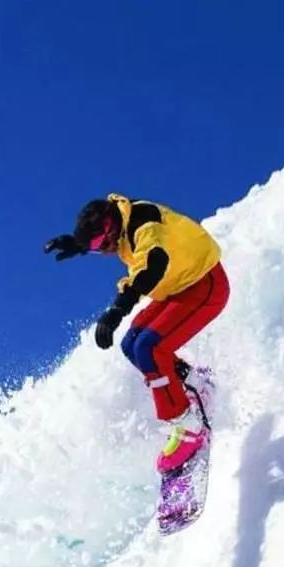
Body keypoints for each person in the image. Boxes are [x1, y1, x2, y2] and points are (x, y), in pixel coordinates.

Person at [45, 193, 230, 472]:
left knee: (150, 348)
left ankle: (189, 428)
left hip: (205, 284)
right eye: (94, 247)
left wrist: (117, 311)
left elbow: (152, 267)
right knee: (132, 343)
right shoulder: (122, 225)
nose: (101, 250)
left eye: (98, 244)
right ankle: (195, 384)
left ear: (111, 229)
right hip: (180, 287)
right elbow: (117, 245)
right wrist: (80, 244)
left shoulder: (144, 224)